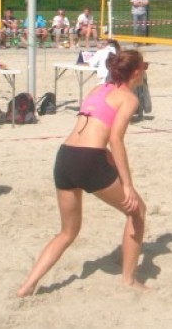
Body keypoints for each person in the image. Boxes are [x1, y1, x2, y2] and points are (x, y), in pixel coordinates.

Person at [16, 49, 149, 296]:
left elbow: (91, 128)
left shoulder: (97, 89)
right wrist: (127, 184)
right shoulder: (128, 98)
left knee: (67, 232)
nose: (145, 72)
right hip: (89, 159)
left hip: (66, 156)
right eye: (145, 67)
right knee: (137, 211)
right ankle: (129, 280)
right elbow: (115, 139)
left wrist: (106, 157)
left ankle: (27, 285)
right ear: (136, 72)